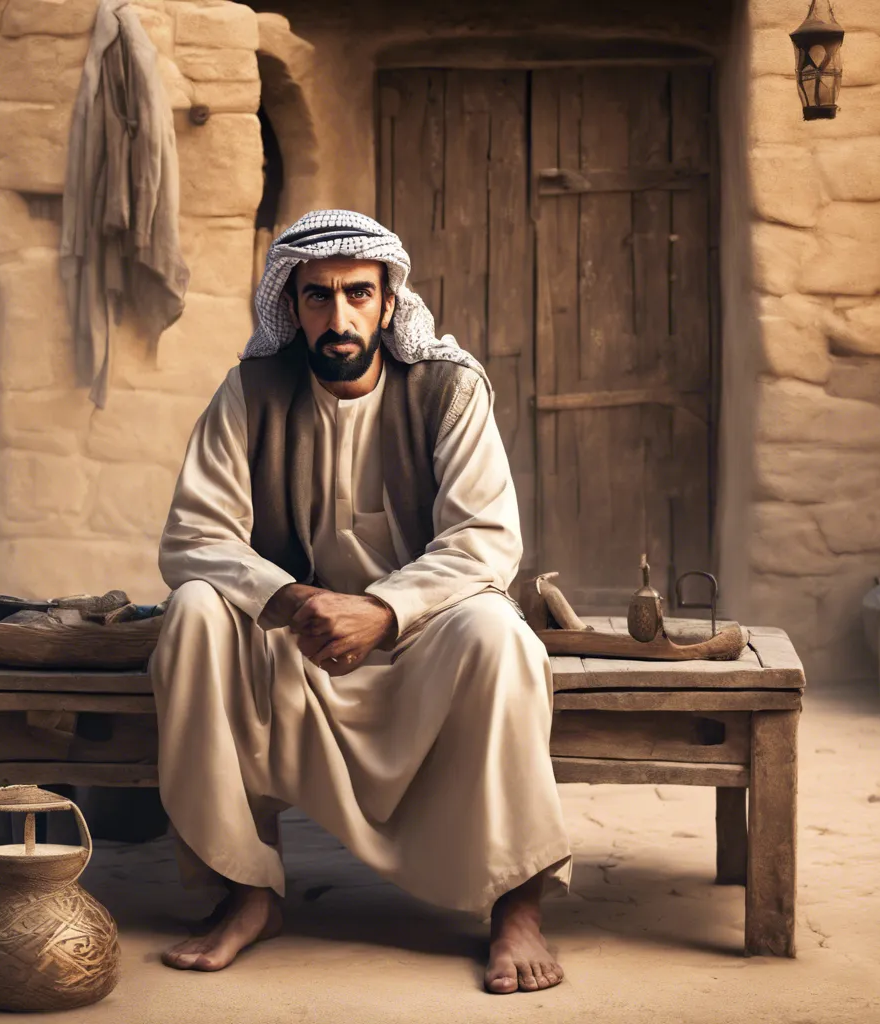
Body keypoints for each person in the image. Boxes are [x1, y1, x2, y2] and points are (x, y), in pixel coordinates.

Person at [150, 210, 571, 994]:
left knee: (501, 635)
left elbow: (484, 542)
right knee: (197, 612)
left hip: (420, 644)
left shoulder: (449, 388)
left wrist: (380, 611)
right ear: (292, 303)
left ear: (386, 302)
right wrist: (293, 599)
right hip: (294, 646)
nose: (337, 318)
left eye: (356, 295)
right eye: (317, 298)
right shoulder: (250, 393)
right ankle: (248, 892)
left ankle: (518, 905)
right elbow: (192, 538)